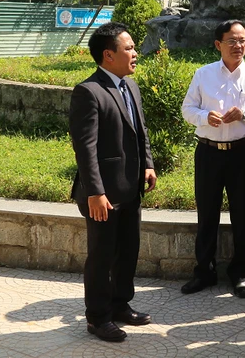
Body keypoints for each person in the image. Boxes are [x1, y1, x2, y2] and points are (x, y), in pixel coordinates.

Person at [69, 22, 157, 343]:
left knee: (128, 249)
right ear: (108, 55)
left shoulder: (130, 86)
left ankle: (121, 304)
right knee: (102, 255)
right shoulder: (88, 92)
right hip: (103, 194)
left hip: (130, 188)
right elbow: (85, 147)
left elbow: (140, 131)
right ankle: (97, 317)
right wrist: (95, 192)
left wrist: (147, 164)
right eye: (129, 48)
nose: (135, 53)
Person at [179, 20, 245, 298]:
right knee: (206, 212)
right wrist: (203, 117)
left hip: (243, 153)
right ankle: (204, 272)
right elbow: (188, 109)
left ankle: (241, 273)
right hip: (209, 151)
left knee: (242, 213)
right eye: (232, 41)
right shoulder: (203, 74)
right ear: (218, 44)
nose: (239, 46)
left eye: (243, 40)